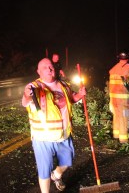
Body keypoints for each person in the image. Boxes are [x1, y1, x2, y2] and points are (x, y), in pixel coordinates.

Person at [22, 58, 85, 193]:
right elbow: (25, 101)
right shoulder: (34, 87)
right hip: (43, 137)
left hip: (64, 134)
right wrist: (27, 94)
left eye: (51, 67)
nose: (49, 69)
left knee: (67, 161)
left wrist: (80, 94)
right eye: (45, 67)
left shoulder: (64, 85)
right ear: (38, 71)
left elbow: (72, 98)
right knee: (44, 169)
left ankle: (56, 174)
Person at [109, 51, 129, 143]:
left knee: (117, 117)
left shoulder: (113, 69)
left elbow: (111, 86)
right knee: (124, 118)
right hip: (124, 99)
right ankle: (123, 140)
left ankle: (116, 136)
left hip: (114, 99)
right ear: (128, 58)